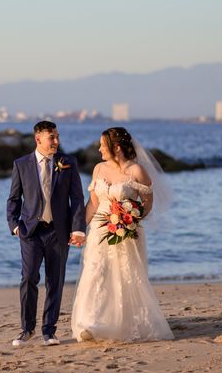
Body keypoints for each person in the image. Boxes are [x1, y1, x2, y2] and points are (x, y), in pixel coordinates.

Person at [71, 127, 174, 343]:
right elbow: (93, 204)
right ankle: (92, 322)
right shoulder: (99, 169)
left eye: (102, 144)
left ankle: (123, 323)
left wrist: (132, 218)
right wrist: (79, 228)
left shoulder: (136, 171)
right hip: (99, 230)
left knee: (125, 278)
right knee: (96, 272)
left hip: (126, 233)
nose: (99, 148)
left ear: (116, 147)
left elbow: (147, 203)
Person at [7, 121, 86, 346]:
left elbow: (77, 198)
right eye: (52, 137)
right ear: (38, 139)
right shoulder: (21, 164)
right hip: (31, 232)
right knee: (29, 277)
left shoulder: (68, 163)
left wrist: (78, 228)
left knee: (55, 281)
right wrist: (15, 225)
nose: (57, 141)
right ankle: (27, 329)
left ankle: (49, 331)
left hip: (59, 231)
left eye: (57, 136)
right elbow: (13, 198)